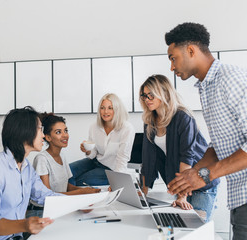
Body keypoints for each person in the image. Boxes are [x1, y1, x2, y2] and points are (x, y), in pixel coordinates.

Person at [165, 22, 247, 239]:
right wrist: (192, 175)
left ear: (191, 50)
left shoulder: (231, 79)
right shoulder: (207, 87)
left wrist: (205, 175)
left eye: (173, 58)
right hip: (240, 197)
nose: (172, 67)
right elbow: (219, 145)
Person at [0, 107, 62, 240]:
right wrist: (24, 225)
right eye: (40, 129)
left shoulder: (26, 168)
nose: (44, 135)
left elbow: (44, 196)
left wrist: (79, 203)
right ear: (25, 131)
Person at [139, 74, 219, 222]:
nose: (147, 100)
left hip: (203, 181)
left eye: (151, 95)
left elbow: (186, 157)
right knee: (179, 227)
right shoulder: (150, 122)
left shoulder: (183, 117)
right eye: (144, 96)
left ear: (164, 93)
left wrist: (182, 196)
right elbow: (148, 158)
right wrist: (143, 192)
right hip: (182, 183)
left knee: (195, 227)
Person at [69, 93, 135, 186]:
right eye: (102, 108)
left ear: (117, 109)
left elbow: (122, 159)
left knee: (80, 180)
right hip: (95, 162)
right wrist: (87, 151)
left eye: (110, 108)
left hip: (111, 169)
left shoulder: (127, 128)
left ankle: (71, 194)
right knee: (67, 172)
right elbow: (93, 154)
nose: (105, 111)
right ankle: (67, 194)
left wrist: (116, 182)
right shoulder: (94, 127)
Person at [33, 113, 101, 195]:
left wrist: (87, 191)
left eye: (65, 131)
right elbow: (47, 196)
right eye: (58, 132)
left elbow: (67, 187)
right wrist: (81, 192)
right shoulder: (42, 159)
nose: (65, 135)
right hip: (44, 207)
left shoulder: (62, 156)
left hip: (62, 203)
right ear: (48, 137)